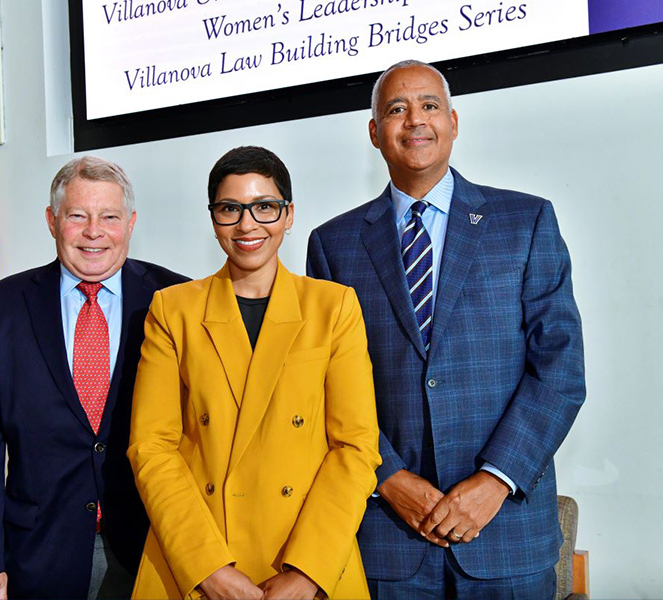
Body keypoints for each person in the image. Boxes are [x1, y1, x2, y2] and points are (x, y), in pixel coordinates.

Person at [307, 60, 586, 598]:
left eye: (429, 105)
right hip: (389, 537)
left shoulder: (525, 221)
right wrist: (387, 478)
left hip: (505, 533)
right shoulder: (333, 244)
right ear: (375, 133)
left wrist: (495, 480)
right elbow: (326, 384)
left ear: (453, 123)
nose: (415, 119)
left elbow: (561, 367)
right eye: (397, 109)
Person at [128, 146, 381, 600]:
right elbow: (152, 448)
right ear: (213, 218)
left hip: (307, 559)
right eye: (230, 209)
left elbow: (356, 448)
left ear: (288, 215)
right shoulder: (173, 310)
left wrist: (307, 572)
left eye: (264, 207)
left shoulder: (333, 307)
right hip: (197, 560)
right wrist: (207, 568)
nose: (247, 225)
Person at [0, 156, 188, 599]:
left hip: (156, 552)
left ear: (130, 223)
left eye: (109, 217)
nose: (94, 231)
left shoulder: (178, 300)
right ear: (52, 221)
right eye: (78, 215)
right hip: (38, 558)